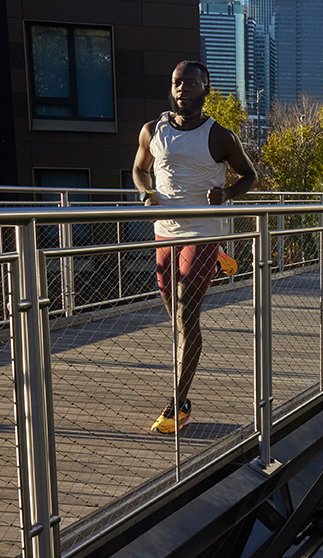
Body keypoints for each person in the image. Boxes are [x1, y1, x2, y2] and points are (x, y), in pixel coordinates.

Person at [132, 60, 257, 433]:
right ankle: (214, 262)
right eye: (176, 82)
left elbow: (250, 176)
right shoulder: (152, 130)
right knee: (177, 320)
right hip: (165, 231)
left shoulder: (220, 136)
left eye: (190, 82)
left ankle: (179, 403)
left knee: (187, 316)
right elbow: (140, 169)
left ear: (206, 89)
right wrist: (146, 194)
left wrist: (227, 193)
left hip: (203, 229)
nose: (181, 88)